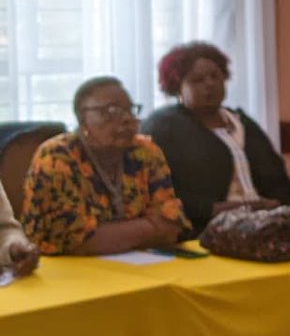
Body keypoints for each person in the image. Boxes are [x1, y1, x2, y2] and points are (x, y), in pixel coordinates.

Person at [23, 77, 188, 255]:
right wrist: (151, 228)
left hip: (137, 261)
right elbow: (73, 240)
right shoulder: (57, 157)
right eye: (111, 111)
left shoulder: (145, 151)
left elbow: (171, 225)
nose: (127, 119)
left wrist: (110, 235)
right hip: (63, 266)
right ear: (83, 119)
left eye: (130, 110)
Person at [142, 41, 290, 233]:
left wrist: (275, 204)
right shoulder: (163, 127)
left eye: (215, 76)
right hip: (204, 230)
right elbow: (160, 191)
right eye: (198, 80)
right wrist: (215, 209)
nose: (210, 84)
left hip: (264, 225)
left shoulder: (242, 122)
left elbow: (278, 178)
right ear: (177, 87)